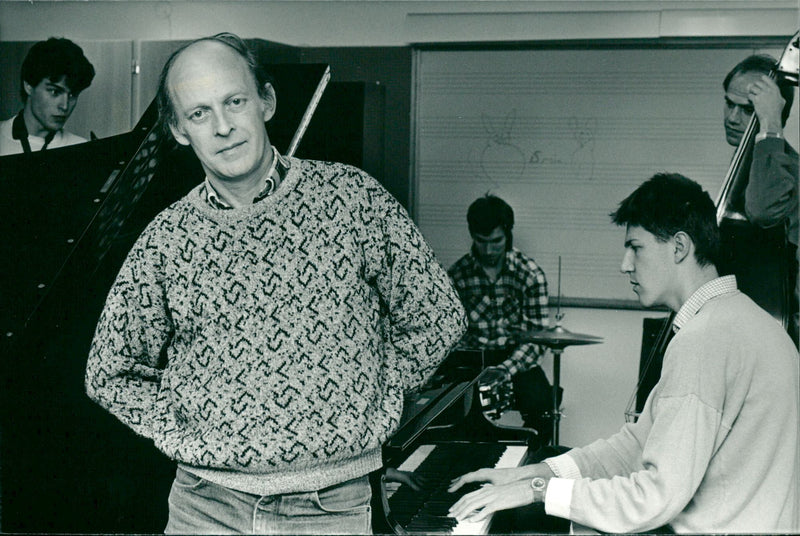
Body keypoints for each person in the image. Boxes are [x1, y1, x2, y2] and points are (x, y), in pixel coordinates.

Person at [84, 32, 466, 535]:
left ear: (265, 102)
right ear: (178, 131)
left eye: (234, 101)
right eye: (199, 113)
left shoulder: (351, 198)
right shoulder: (165, 239)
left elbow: (438, 316)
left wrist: (375, 393)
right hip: (204, 509)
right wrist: (181, 427)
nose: (222, 127)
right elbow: (109, 371)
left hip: (332, 507)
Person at [448, 173, 799, 534]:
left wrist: (537, 492)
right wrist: (532, 473)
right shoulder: (744, 320)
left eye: (636, 247)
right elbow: (637, 443)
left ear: (679, 247)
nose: (625, 264)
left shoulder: (706, 339)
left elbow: (654, 498)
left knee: (521, 524)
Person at [447, 194, 551, 443]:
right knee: (446, 410)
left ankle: (531, 464)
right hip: (472, 358)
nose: (489, 250)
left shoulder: (530, 273)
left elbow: (537, 338)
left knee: (542, 405)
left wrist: (505, 370)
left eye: (497, 241)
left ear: (508, 235)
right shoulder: (455, 276)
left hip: (516, 356)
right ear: (472, 235)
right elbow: (449, 336)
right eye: (481, 241)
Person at [723, 54, 798, 341]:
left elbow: (763, 210)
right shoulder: (745, 167)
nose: (731, 117)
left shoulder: (789, 172)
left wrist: (769, 123)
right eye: (729, 103)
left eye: (746, 109)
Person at [0, 37, 95, 156]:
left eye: (72, 95)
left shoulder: (82, 149)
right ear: (29, 86)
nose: (64, 106)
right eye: (55, 92)